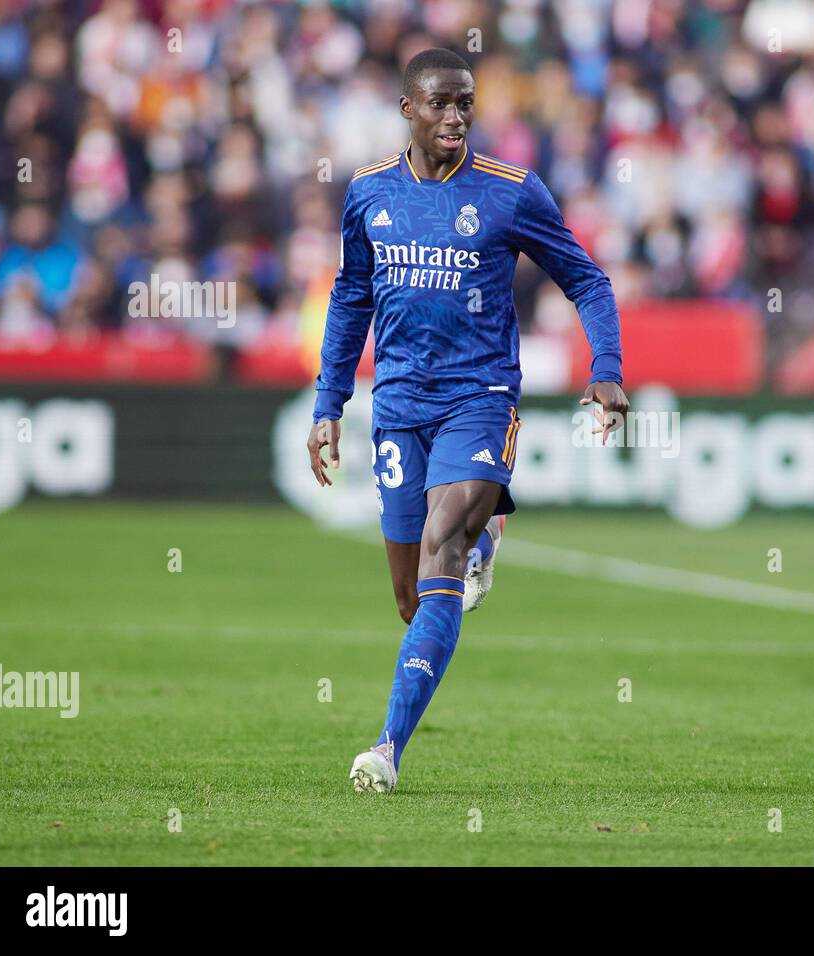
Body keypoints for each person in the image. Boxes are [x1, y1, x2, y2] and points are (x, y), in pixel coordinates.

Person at [306, 48, 630, 792]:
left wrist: (606, 369)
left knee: (441, 545)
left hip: (480, 398)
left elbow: (588, 280)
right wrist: (329, 404)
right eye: (439, 104)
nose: (455, 117)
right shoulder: (365, 194)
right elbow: (351, 297)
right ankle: (486, 534)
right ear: (406, 109)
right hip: (398, 407)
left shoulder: (511, 192)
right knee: (410, 597)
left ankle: (387, 749)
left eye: (465, 104)